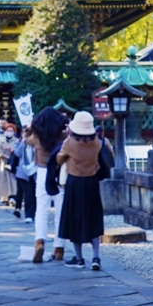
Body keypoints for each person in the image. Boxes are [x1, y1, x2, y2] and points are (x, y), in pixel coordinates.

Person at [56, 112, 106, 270]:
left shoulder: (69, 143)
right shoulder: (96, 142)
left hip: (75, 183)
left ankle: (79, 259)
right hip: (91, 182)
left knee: (74, 219)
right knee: (93, 218)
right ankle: (96, 257)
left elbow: (59, 159)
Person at [25, 107, 69, 263]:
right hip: (60, 173)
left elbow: (26, 140)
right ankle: (59, 248)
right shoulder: (64, 137)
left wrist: (30, 128)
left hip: (43, 172)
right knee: (60, 211)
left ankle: (39, 242)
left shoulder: (36, 137)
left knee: (41, 210)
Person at [0, 122, 19, 205]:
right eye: (8, 130)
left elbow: (18, 152)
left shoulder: (16, 141)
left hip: (13, 164)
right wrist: (2, 154)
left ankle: (13, 197)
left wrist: (10, 150)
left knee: (13, 182)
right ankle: (5, 197)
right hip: (3, 164)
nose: (9, 132)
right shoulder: (1, 141)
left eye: (11, 131)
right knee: (4, 182)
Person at [14, 133, 38, 222]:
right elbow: (17, 153)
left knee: (35, 193)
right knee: (28, 193)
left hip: (35, 170)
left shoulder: (37, 143)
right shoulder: (23, 143)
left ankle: (34, 213)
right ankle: (29, 215)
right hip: (24, 171)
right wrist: (23, 142)